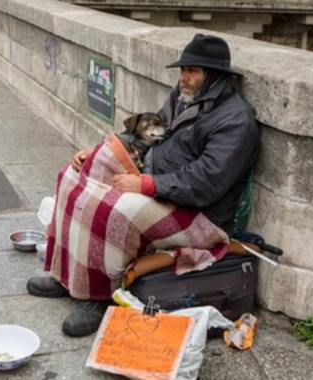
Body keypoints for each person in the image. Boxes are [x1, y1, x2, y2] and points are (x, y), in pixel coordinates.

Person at [27, 34, 260, 337]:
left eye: (192, 71)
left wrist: (146, 185)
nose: (183, 78)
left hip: (202, 216)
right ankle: (66, 276)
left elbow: (207, 181)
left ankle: (100, 295)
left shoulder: (235, 121)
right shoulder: (184, 96)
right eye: (182, 70)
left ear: (214, 76)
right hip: (161, 187)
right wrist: (97, 153)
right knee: (72, 177)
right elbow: (152, 131)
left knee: (117, 211)